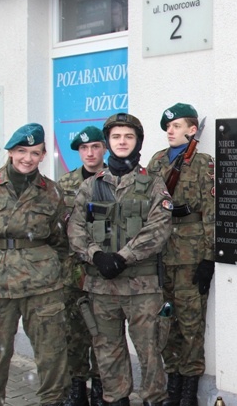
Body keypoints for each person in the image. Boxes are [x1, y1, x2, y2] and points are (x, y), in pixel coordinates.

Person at [67, 113, 173, 406]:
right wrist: (96, 255)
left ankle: (155, 400)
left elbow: (159, 227)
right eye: (116, 137)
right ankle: (117, 400)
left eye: (129, 136)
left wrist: (123, 258)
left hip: (142, 288)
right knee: (108, 353)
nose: (122, 141)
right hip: (101, 288)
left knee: (150, 353)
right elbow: (75, 227)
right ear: (108, 142)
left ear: (137, 141)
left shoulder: (152, 183)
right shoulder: (92, 186)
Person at [0, 123, 70, 405]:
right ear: (10, 152)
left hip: (42, 288)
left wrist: (51, 271)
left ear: (43, 155)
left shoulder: (52, 193)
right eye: (21, 151)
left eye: (34, 153)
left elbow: (61, 240)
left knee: (52, 355)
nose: (27, 158)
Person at [147, 103, 215, 406]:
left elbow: (211, 212)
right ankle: (171, 386)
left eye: (177, 126)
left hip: (190, 257)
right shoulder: (156, 161)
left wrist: (209, 257)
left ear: (192, 130)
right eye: (168, 127)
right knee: (165, 321)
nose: (170, 131)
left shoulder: (203, 163)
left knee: (190, 325)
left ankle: (188, 392)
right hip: (159, 255)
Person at [59, 126, 107, 406]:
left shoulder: (113, 181)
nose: (90, 153)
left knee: (102, 330)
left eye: (95, 147)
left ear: (104, 149)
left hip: (102, 268)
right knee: (75, 332)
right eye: (84, 149)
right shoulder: (64, 184)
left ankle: (101, 386)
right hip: (73, 269)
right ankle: (77, 386)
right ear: (79, 151)